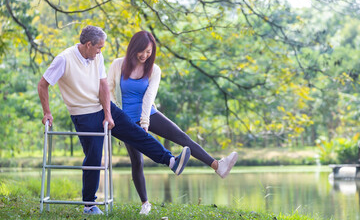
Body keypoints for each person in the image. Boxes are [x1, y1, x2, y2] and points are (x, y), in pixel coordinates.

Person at [37, 26, 191, 215]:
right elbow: (43, 84)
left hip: (105, 108)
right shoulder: (64, 59)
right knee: (94, 157)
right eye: (99, 47)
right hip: (83, 114)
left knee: (135, 132)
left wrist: (109, 114)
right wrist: (47, 112)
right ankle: (89, 205)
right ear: (88, 44)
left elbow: (103, 85)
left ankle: (170, 160)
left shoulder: (96, 57)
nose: (101, 51)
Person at [107, 30, 238, 215]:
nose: (145, 55)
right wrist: (119, 118)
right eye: (142, 51)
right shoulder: (118, 64)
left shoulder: (154, 69)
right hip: (126, 119)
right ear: (133, 48)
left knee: (182, 137)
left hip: (149, 113)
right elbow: (109, 90)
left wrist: (145, 122)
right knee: (136, 161)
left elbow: (149, 96)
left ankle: (218, 166)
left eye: (149, 52)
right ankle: (145, 204)